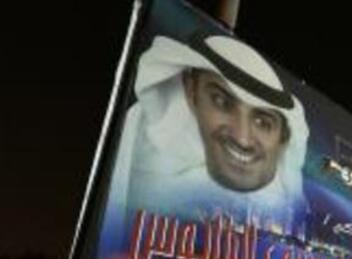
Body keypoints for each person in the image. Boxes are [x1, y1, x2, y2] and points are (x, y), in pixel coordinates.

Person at [110, 31, 310, 229]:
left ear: (282, 139)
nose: (242, 138)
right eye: (221, 101)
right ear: (191, 89)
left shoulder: (276, 196)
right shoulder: (141, 147)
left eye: (262, 122)